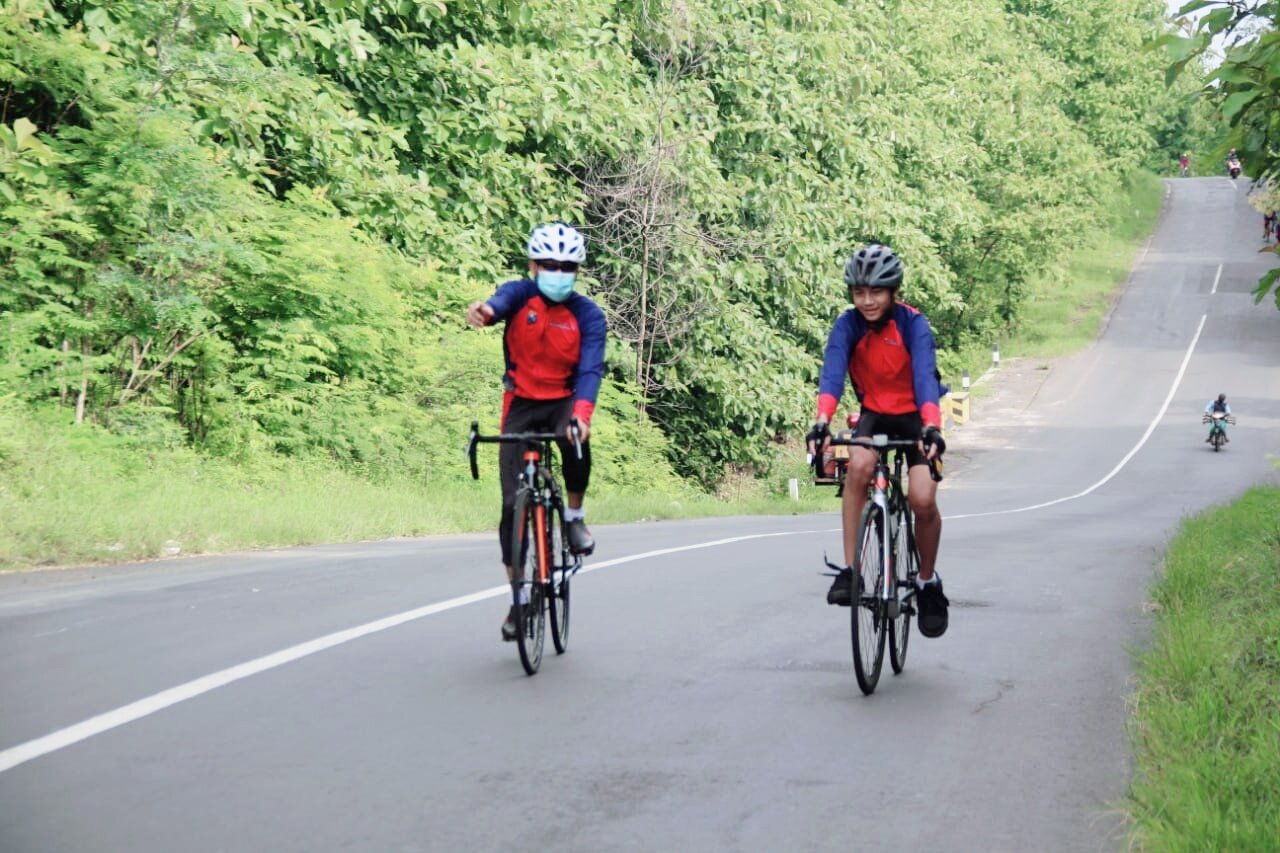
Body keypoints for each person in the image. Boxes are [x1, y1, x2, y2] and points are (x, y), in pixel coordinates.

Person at [466, 222, 607, 641]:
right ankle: (517, 599)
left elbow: (590, 369)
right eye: (549, 264)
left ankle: (575, 518)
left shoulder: (588, 315)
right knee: (512, 507)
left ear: (577, 271)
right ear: (533, 265)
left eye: (567, 266)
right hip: (522, 403)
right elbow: (498, 304)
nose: (558, 272)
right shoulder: (520, 294)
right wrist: (485, 312)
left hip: (565, 398)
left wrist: (582, 415)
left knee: (577, 443)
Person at [806, 243, 950, 638]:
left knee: (922, 499)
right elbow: (833, 373)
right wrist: (822, 420)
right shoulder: (848, 325)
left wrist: (932, 425)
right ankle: (852, 571)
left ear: (893, 292)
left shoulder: (912, 324)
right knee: (860, 467)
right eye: (859, 293)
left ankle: (925, 582)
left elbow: (925, 377)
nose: (867, 301)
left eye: (876, 292)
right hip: (875, 412)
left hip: (917, 417)